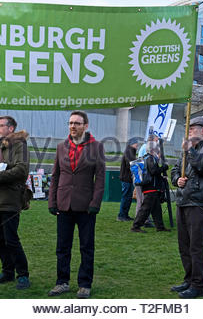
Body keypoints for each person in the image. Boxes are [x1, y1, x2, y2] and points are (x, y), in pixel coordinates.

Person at [48, 111, 105, 299]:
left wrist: (95, 202)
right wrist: (52, 201)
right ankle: (62, 282)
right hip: (64, 204)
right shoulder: (60, 147)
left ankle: (85, 284)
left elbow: (100, 178)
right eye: (70, 123)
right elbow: (55, 175)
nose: (73, 126)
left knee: (86, 247)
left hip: (86, 206)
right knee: (62, 247)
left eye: (77, 123)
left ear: (85, 126)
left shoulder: (96, 147)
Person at [170, 116, 203, 299]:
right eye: (188, 128)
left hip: (199, 202)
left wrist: (190, 151)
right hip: (183, 200)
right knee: (184, 245)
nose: (189, 131)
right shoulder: (186, 151)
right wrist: (177, 180)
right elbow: (175, 170)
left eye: (193, 128)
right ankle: (189, 279)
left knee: (196, 245)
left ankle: (198, 284)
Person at [0, 115, 31, 290]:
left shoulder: (20, 146)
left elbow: (22, 170)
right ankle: (7, 272)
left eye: (0, 126)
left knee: (11, 239)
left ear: (11, 128)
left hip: (10, 199)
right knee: (0, 240)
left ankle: (23, 275)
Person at [130, 140, 170, 233]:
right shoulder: (150, 158)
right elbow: (153, 171)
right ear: (153, 150)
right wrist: (164, 167)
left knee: (156, 209)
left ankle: (160, 226)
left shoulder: (146, 158)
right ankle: (135, 226)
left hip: (150, 187)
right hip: (150, 188)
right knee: (145, 209)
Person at [117, 137, 139, 221]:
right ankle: (121, 215)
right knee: (126, 197)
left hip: (127, 178)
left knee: (128, 197)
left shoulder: (130, 151)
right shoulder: (129, 152)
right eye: (136, 143)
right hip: (126, 178)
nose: (137, 144)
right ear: (132, 144)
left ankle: (124, 215)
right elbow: (131, 164)